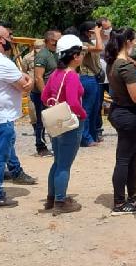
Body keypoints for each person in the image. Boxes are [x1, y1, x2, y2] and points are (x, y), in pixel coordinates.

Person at [0, 25, 36, 209]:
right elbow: (24, 86)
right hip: (0, 118)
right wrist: (30, 80)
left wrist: (22, 77)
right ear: (1, 39)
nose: (13, 39)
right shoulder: (2, 63)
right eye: (10, 36)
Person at [41, 34, 89, 215]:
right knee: (64, 165)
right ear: (75, 56)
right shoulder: (72, 76)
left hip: (55, 121)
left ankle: (51, 198)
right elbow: (74, 103)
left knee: (57, 162)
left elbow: (45, 97)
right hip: (70, 123)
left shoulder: (55, 74)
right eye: (81, 53)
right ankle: (60, 201)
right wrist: (84, 115)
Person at [105, 27, 136, 216]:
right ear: (128, 41)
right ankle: (119, 202)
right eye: (135, 40)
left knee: (130, 154)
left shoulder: (113, 62)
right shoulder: (125, 66)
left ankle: (132, 193)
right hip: (128, 114)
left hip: (118, 110)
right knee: (123, 158)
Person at [31, 30, 61, 156]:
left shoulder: (56, 54)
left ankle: (56, 145)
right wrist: (45, 96)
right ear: (50, 41)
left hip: (54, 94)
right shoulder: (43, 55)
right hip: (41, 95)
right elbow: (38, 77)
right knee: (41, 121)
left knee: (55, 120)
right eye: (58, 40)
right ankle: (41, 146)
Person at [75, 21, 105, 147]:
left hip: (95, 78)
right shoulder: (82, 45)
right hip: (87, 77)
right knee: (87, 109)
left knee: (95, 108)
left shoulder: (90, 43)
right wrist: (98, 33)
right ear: (87, 32)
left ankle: (92, 135)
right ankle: (85, 137)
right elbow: (100, 48)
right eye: (93, 31)